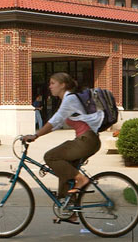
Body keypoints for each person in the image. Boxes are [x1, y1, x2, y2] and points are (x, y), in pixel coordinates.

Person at [22, 72, 103, 224]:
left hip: (87, 140)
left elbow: (55, 121)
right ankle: (69, 212)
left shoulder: (70, 99)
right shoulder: (68, 99)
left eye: (53, 83)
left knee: (51, 157)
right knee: (65, 172)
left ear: (63, 85)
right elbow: (57, 124)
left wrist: (35, 135)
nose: (50, 86)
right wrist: (37, 134)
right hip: (86, 139)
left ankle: (81, 179)